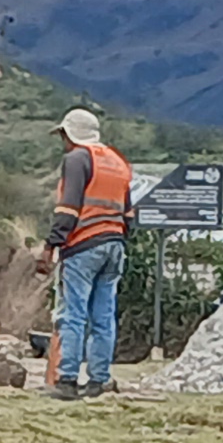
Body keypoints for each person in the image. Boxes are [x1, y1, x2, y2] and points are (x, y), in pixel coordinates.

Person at [46, 109, 132, 397]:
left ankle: (67, 381)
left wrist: (52, 244)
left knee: (73, 314)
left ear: (70, 134)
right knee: (103, 317)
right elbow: (128, 213)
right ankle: (99, 380)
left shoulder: (77, 159)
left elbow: (68, 207)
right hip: (114, 245)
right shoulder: (118, 162)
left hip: (83, 245)